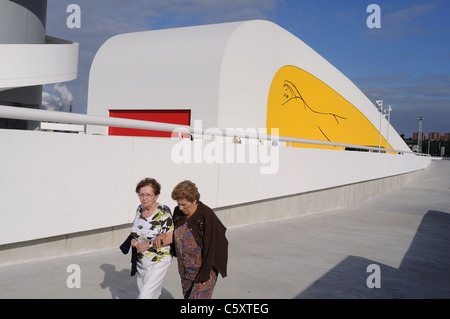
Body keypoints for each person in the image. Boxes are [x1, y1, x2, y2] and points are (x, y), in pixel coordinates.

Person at [153, 180, 228, 299]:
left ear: (194, 200)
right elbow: (174, 233)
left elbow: (212, 245)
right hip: (185, 268)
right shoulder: (178, 212)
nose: (180, 207)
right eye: (178, 204)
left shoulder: (206, 215)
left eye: (184, 204)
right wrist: (163, 235)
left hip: (205, 268)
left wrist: (206, 272)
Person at [122, 177, 174, 299]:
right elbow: (136, 232)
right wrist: (134, 242)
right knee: (152, 295)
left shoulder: (163, 211)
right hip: (142, 259)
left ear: (156, 196)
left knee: (145, 295)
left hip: (159, 259)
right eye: (141, 195)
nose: (144, 198)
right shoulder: (139, 209)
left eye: (148, 195)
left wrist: (149, 244)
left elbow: (170, 237)